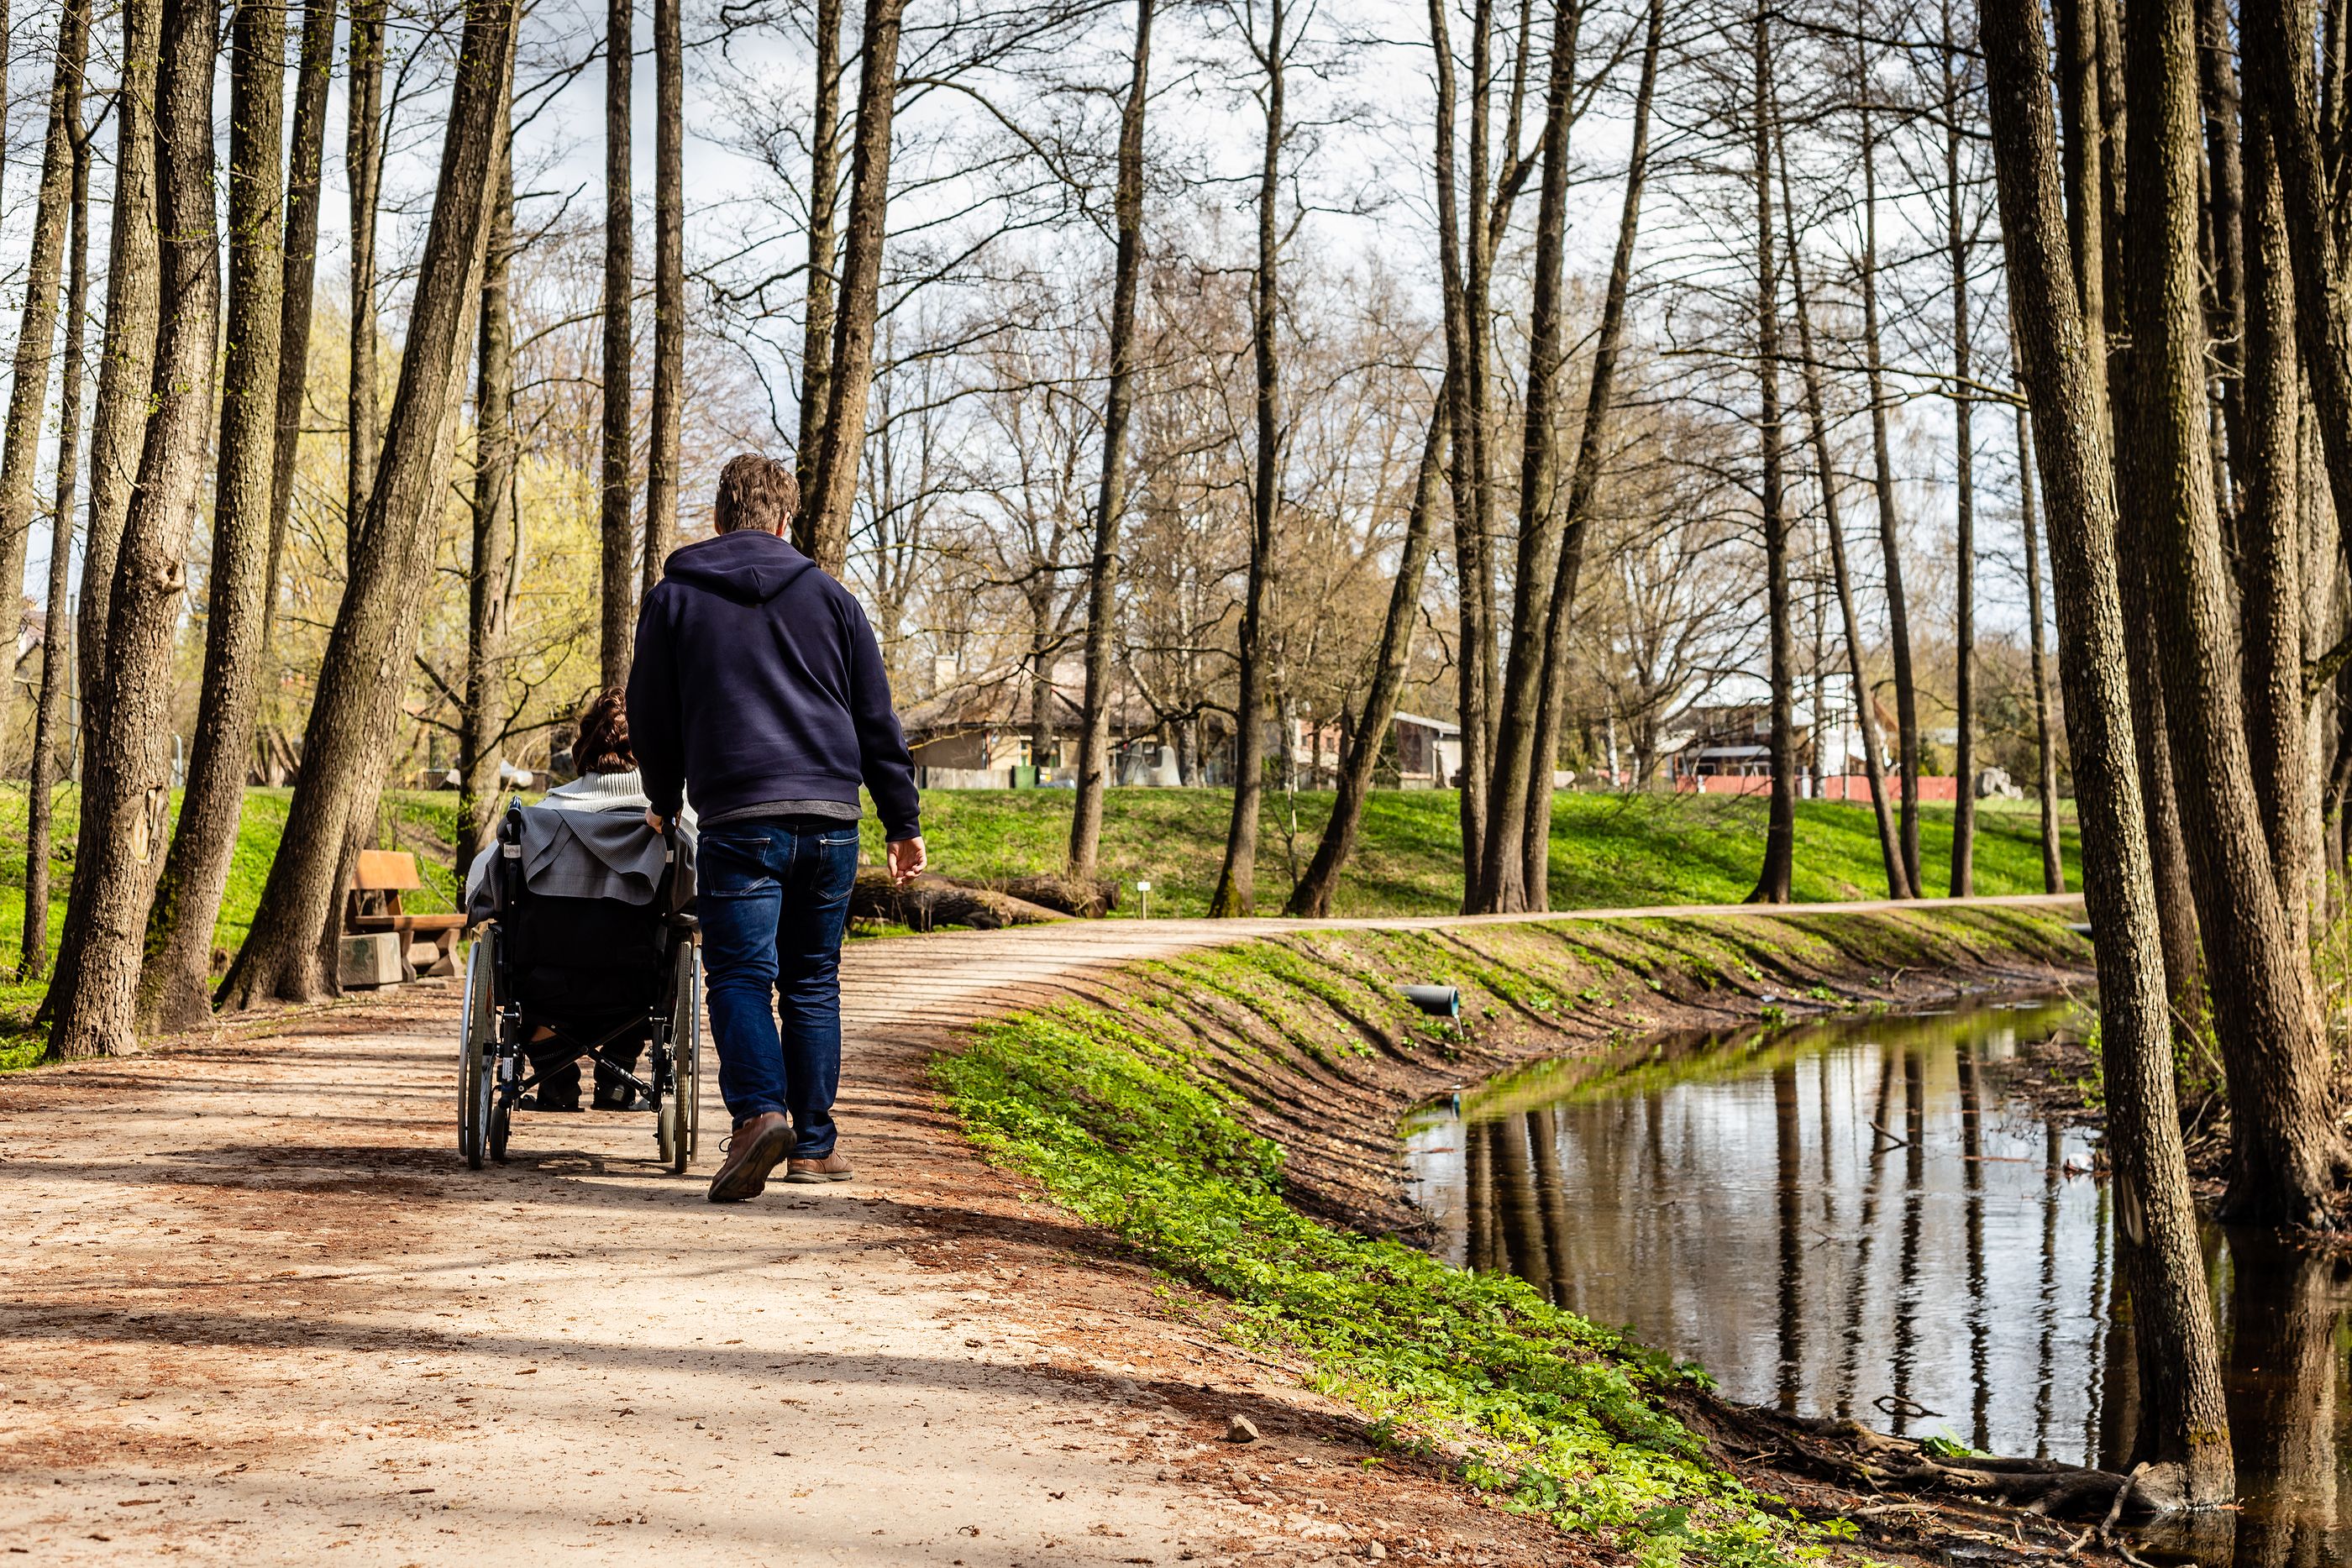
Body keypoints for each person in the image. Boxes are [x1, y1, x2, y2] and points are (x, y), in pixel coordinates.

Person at [627, 453, 927, 1203]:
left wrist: (663, 797)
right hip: (831, 816)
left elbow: (650, 716)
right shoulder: (834, 600)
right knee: (812, 980)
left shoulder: (675, 600)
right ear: (786, 520)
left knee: (737, 974)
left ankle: (760, 1115)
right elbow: (877, 722)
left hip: (740, 815)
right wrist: (902, 819)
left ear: (720, 518)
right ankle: (815, 1147)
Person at [460, 688, 696, 1112]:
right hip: (635, 988)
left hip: (544, 989)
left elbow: (478, 884)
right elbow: (695, 899)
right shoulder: (671, 823)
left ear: (582, 750)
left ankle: (554, 1076)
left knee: (516, 948)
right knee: (665, 940)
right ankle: (618, 1075)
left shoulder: (536, 819)